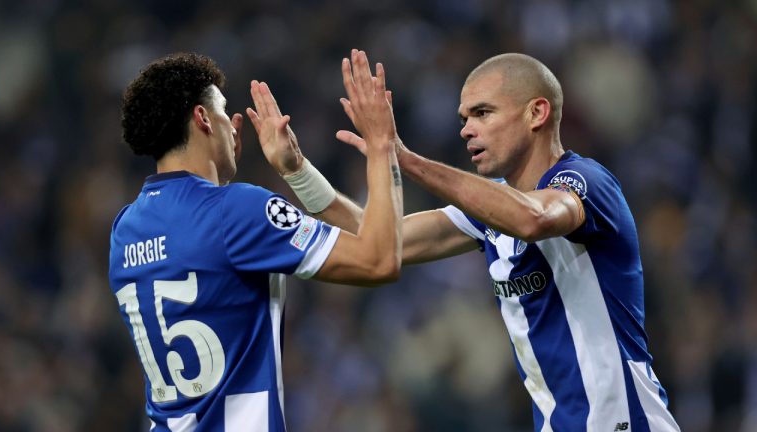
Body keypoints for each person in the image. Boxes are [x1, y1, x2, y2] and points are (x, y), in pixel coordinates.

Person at [256, 52, 680, 431]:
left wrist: (402, 158)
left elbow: (532, 219)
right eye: (463, 119)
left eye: (482, 113)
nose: (466, 130)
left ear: (537, 113)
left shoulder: (586, 182)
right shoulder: (488, 211)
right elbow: (378, 234)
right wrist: (297, 172)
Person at [109, 51, 402, 431]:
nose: (233, 127)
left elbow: (209, 263)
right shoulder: (237, 210)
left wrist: (219, 173)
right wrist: (380, 144)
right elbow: (379, 260)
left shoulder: (124, 229)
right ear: (202, 119)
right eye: (222, 112)